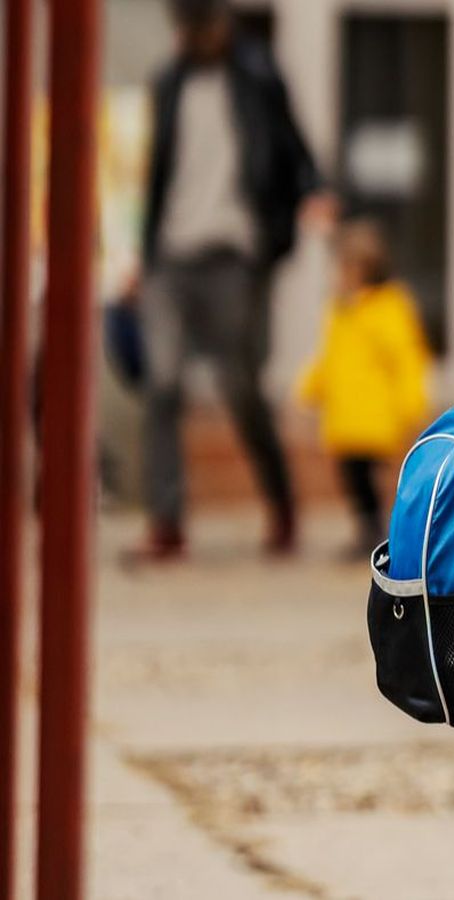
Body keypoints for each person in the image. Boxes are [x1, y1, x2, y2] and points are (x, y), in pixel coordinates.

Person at [126, 0, 336, 561]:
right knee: (163, 384)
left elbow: (293, 148)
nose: (199, 40)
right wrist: (138, 256)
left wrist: (314, 190)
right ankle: (166, 522)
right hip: (170, 254)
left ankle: (281, 503)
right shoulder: (169, 82)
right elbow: (153, 174)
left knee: (238, 386)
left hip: (234, 255)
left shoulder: (259, 75)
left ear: (224, 25)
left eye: (207, 28)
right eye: (189, 31)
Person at [296, 220, 431, 557]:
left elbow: (406, 359)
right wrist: (310, 388)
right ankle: (367, 529)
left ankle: (380, 532)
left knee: (373, 480)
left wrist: (411, 404)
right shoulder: (341, 310)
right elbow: (330, 357)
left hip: (375, 415)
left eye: (345, 267)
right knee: (353, 478)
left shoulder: (389, 307)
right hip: (346, 415)